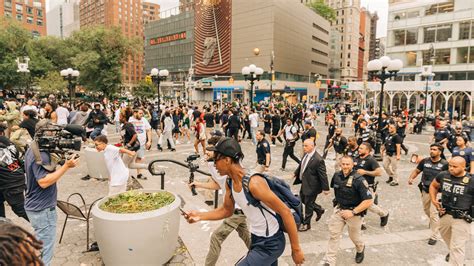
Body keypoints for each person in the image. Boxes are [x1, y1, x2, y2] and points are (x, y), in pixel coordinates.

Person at [184, 137, 305, 265]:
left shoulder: (254, 183)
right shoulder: (229, 182)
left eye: (216, 159)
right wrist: (199, 216)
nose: (214, 164)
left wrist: (296, 249)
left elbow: (285, 212)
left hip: (271, 243)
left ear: (227, 160)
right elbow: (226, 210)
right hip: (257, 238)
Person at [24, 120, 79, 265]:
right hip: (42, 209)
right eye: (52, 133)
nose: (55, 137)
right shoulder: (41, 153)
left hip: (35, 206)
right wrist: (66, 166)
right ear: (43, 133)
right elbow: (44, 182)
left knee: (39, 244)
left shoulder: (34, 147)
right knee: (45, 251)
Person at [190, 135, 251, 266]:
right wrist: (198, 184)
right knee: (245, 236)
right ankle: (260, 254)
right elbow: (218, 185)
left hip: (238, 210)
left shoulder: (234, 170)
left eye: (211, 151)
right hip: (235, 208)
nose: (206, 152)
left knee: (216, 237)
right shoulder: (218, 167)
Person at [323, 156, 373, 266]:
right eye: (343, 164)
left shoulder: (359, 180)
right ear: (340, 164)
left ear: (352, 165)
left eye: (347, 164)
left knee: (354, 237)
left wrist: (353, 212)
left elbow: (369, 201)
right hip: (340, 210)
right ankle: (329, 261)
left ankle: (360, 249)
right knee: (334, 235)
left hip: (354, 214)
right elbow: (336, 189)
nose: (345, 166)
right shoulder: (337, 176)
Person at [429, 156, 474, 265]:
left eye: (455, 166)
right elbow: (433, 185)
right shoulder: (443, 175)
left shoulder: (471, 180)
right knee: (448, 240)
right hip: (445, 214)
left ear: (464, 167)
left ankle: (457, 261)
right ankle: (456, 257)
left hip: (462, 217)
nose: (451, 168)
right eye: (450, 165)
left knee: (457, 247)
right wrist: (434, 200)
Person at [408, 143, 448, 245]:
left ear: (440, 152)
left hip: (437, 192)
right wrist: (411, 178)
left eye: (434, 149)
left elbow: (448, 178)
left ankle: (434, 236)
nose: (431, 151)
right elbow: (417, 171)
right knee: (427, 210)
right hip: (425, 190)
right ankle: (436, 222)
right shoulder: (424, 161)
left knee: (433, 214)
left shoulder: (444, 164)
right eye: (431, 149)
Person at [293, 139, 329, 231]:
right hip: (305, 183)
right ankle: (319, 209)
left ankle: (306, 224)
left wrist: (326, 188)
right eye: (303, 145)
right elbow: (302, 165)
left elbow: (323, 175)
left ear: (312, 146)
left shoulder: (318, 159)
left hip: (313, 186)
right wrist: (296, 173)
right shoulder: (306, 154)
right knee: (303, 200)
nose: (304, 147)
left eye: (306, 146)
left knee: (308, 205)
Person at [354, 142, 389, 229]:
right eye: (359, 148)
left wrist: (365, 172)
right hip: (357, 185)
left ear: (368, 150)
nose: (359, 149)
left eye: (361, 148)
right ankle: (361, 223)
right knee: (357, 203)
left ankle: (384, 214)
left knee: (368, 205)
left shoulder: (371, 160)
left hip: (368, 186)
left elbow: (379, 172)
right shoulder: (356, 158)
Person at [0, 124, 29, 221]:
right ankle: (3, 230)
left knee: (20, 209)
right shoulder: (9, 142)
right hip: (14, 176)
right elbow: (18, 158)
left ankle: (44, 228)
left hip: (11, 182)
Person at [129, 109, 152, 180]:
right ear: (135, 113)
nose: (142, 115)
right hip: (132, 144)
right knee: (129, 159)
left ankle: (139, 174)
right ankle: (126, 175)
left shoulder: (144, 119)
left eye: (142, 113)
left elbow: (148, 130)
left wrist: (149, 141)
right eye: (140, 113)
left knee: (139, 158)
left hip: (141, 143)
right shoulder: (130, 120)